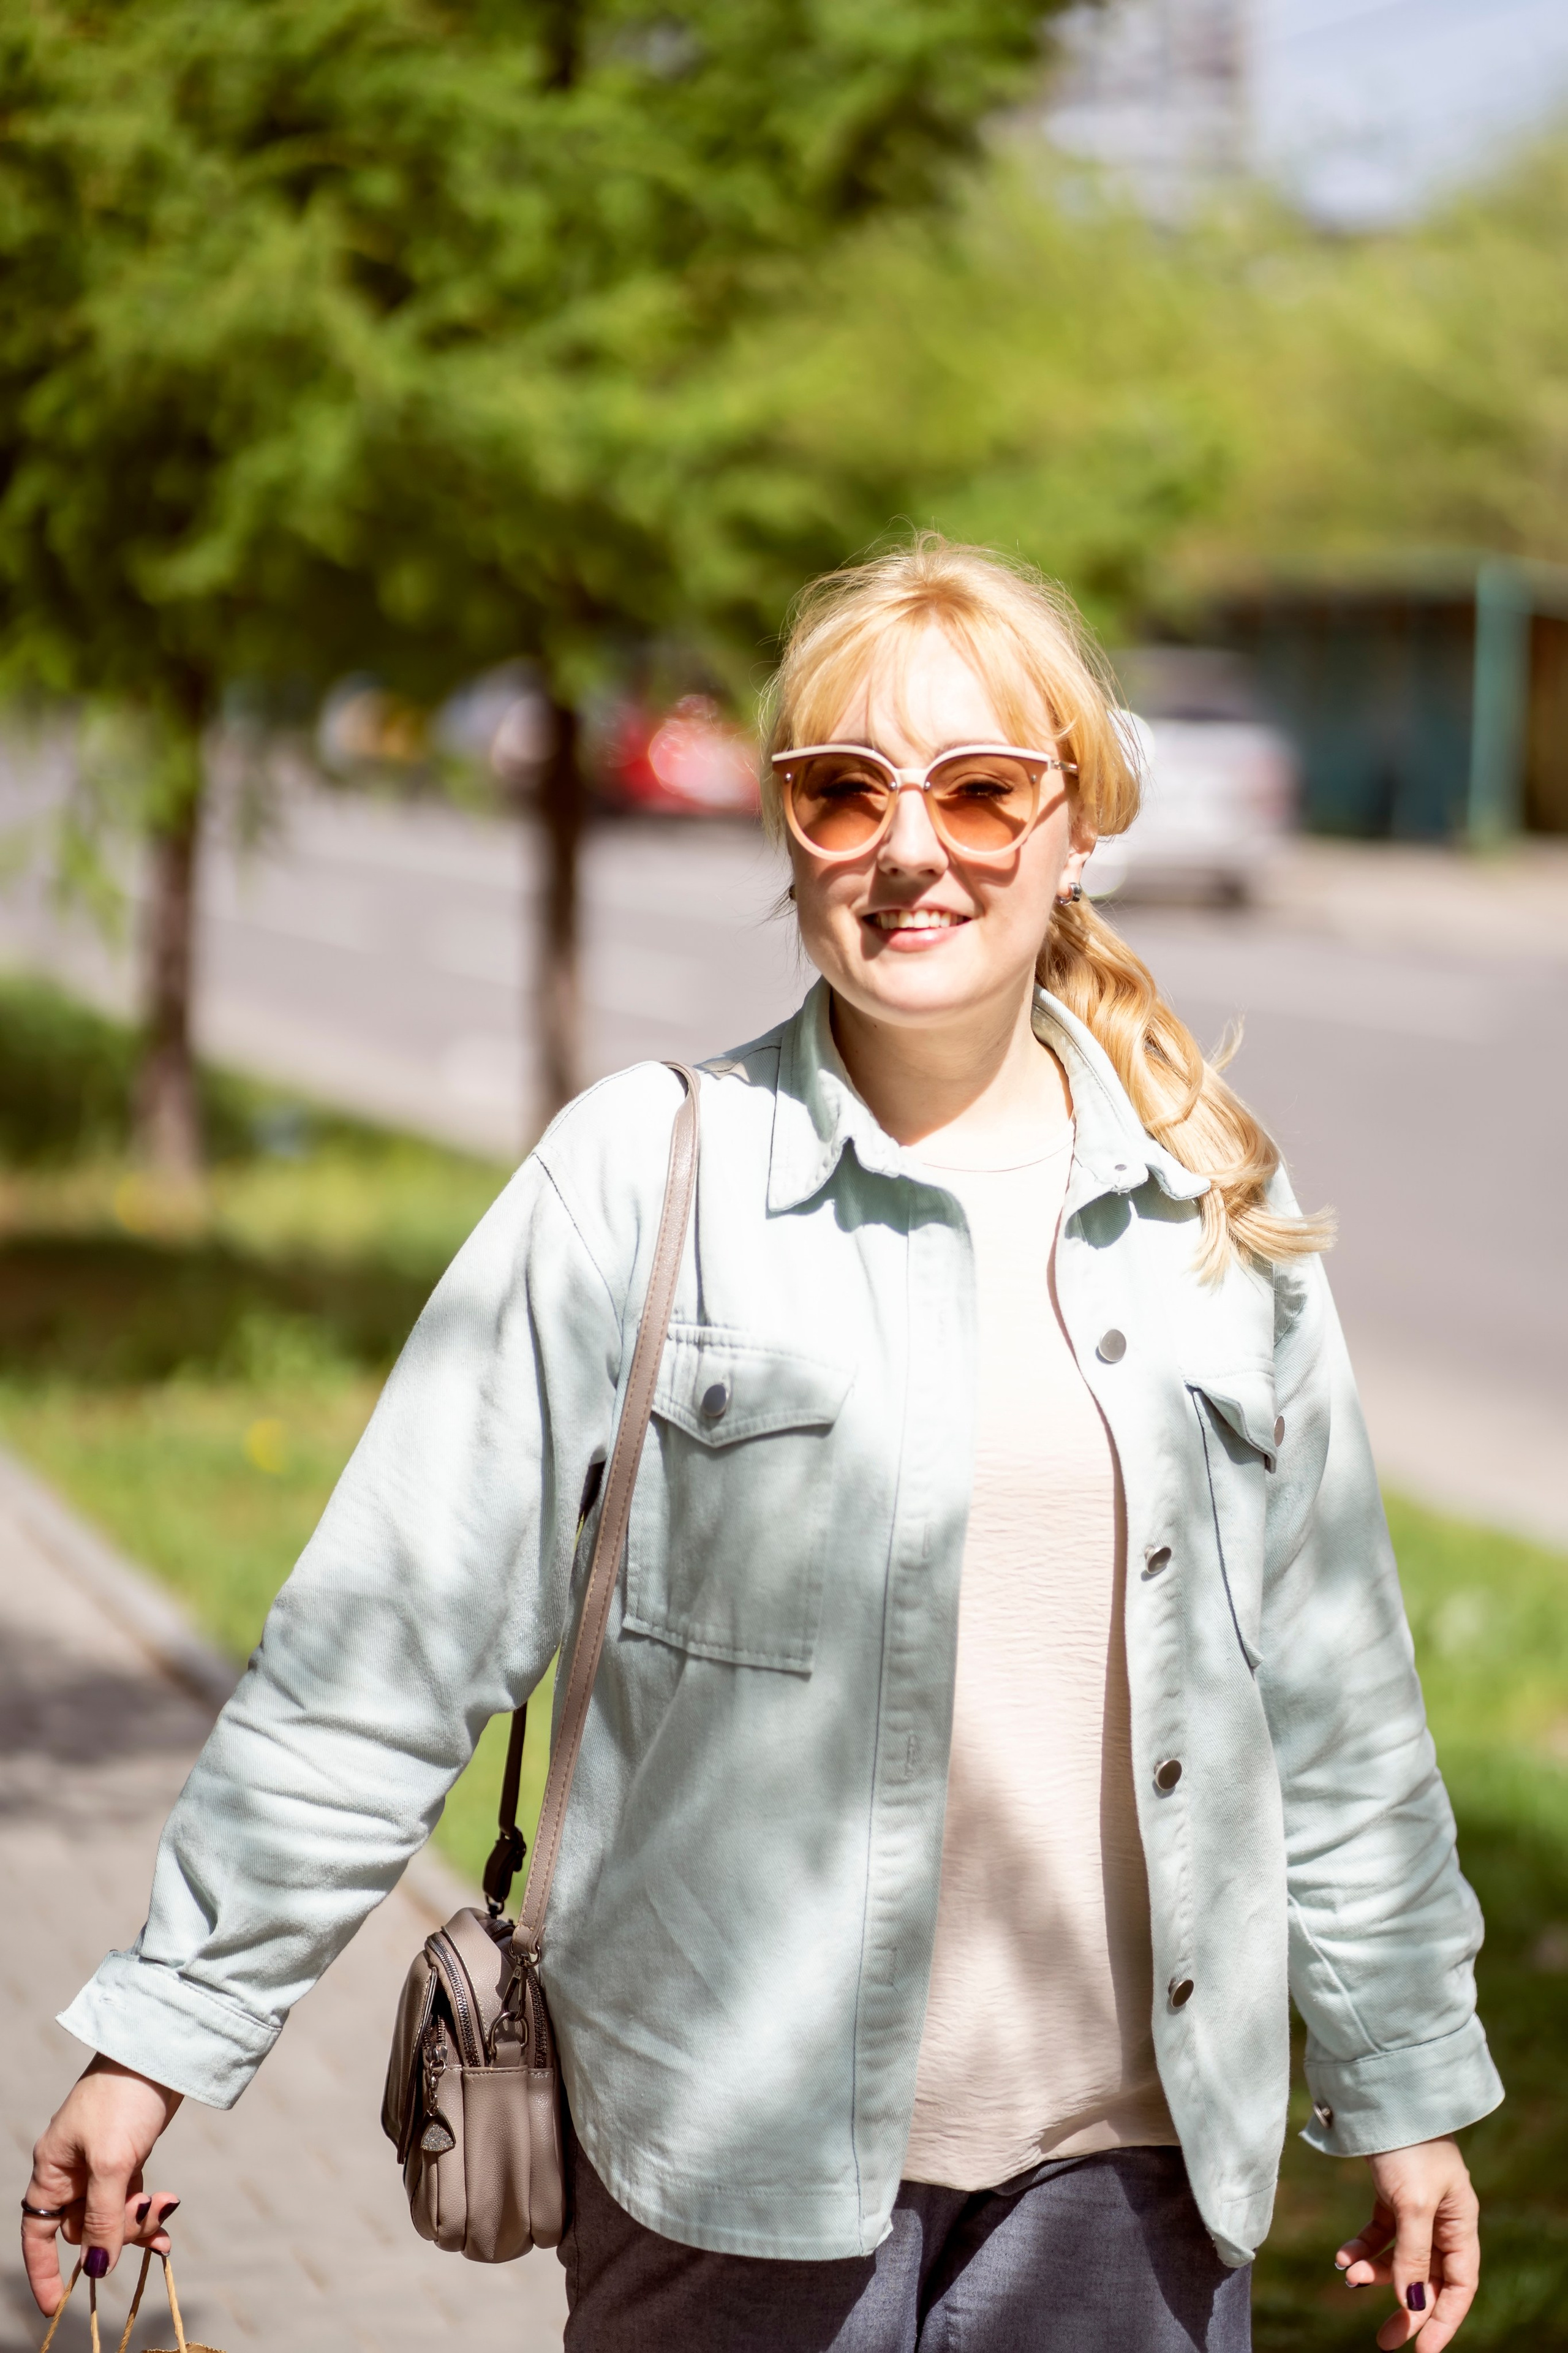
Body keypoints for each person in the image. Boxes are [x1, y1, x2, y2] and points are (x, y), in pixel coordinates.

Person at [24, 538, 1501, 2352]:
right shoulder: (646, 1177)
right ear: (788, 828)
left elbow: (1338, 1700)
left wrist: (1405, 2072)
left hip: (1128, 2195)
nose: (911, 847)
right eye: (843, 790)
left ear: (1077, 823)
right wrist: (164, 2031)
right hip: (725, 2175)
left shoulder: (1213, 1213)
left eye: (981, 789)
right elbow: (384, 1643)